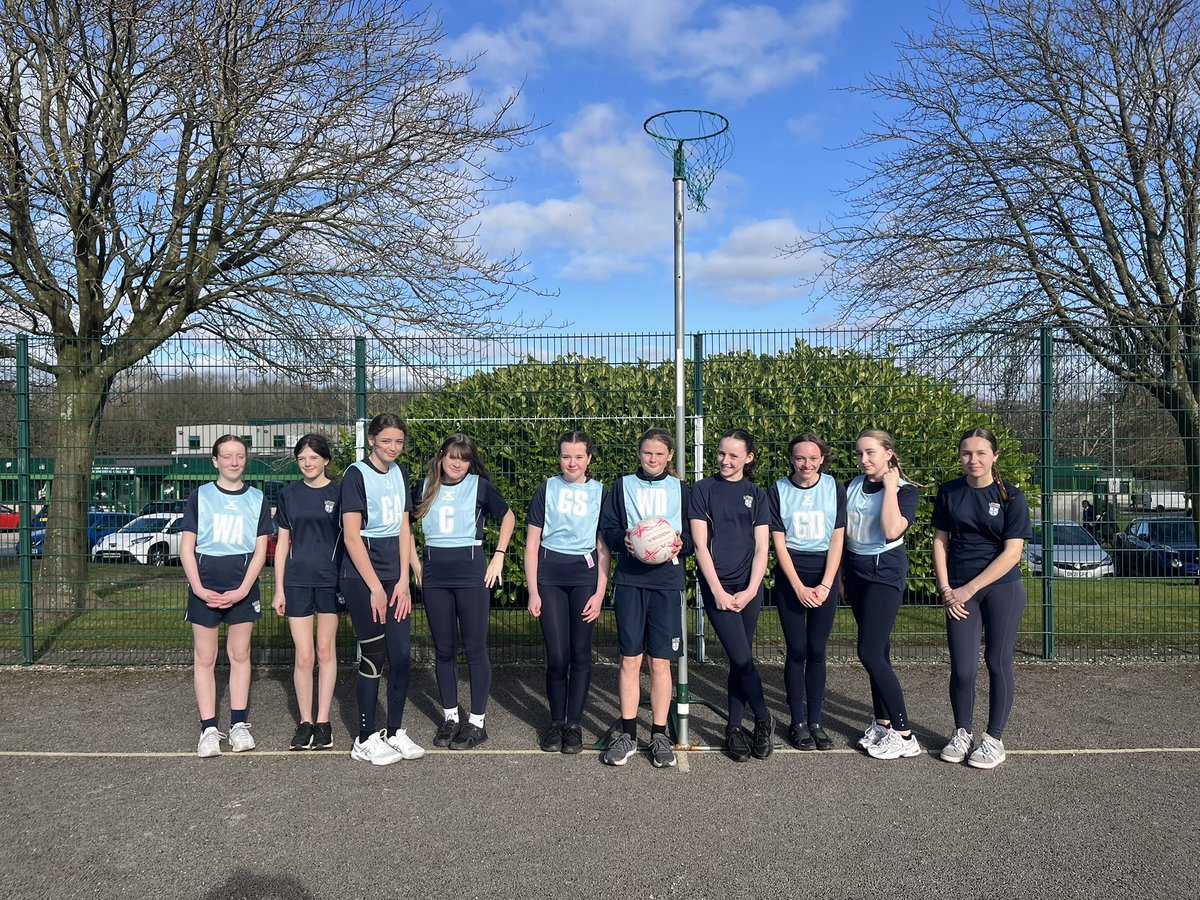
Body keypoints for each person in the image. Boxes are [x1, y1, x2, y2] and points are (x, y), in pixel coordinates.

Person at [932, 427, 1032, 769]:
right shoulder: (949, 493)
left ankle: (993, 739)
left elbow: (1012, 554)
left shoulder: (1012, 498)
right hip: (957, 592)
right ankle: (962, 732)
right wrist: (947, 589)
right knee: (962, 668)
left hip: (1001, 588)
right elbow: (940, 542)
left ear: (994, 456)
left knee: (997, 662)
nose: (973, 460)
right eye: (966, 453)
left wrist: (968, 589)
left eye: (980, 453)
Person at [412, 433, 515, 750]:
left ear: (470, 462)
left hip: (471, 576)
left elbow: (508, 516)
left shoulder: (479, 486)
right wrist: (416, 566)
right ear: (442, 456)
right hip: (435, 576)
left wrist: (498, 556)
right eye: (452, 456)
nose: (457, 463)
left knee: (474, 647)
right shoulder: (426, 485)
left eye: (464, 458)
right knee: (443, 649)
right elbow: (403, 525)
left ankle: (477, 723)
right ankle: (450, 717)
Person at [599, 427, 692, 769]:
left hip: (667, 581)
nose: (652, 459)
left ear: (670, 456)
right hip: (630, 580)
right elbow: (608, 527)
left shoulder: (681, 489)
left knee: (660, 662)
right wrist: (620, 540)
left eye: (659, 454)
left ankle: (659, 734)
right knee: (630, 659)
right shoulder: (623, 485)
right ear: (639, 454)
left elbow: (695, 535)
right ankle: (627, 735)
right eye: (646, 453)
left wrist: (687, 546)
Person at [182, 435, 273, 759]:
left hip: (242, 590)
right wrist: (197, 587)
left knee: (240, 654)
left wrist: (243, 589)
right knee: (205, 658)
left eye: (240, 456)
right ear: (215, 460)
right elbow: (186, 547)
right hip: (204, 589)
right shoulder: (200, 496)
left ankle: (238, 725)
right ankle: (208, 729)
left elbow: (261, 551)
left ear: (245, 460)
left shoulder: (258, 498)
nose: (234, 462)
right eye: (227, 456)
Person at [340, 413, 422, 765]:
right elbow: (351, 536)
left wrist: (403, 580)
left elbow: (404, 528)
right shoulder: (355, 475)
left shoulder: (401, 474)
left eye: (399, 442)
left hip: (394, 574)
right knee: (374, 655)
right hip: (363, 577)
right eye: (387, 440)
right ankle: (365, 738)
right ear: (372, 439)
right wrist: (375, 586)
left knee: (402, 656)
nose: (393, 447)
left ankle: (393, 730)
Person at [689, 428, 774, 761]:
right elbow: (699, 545)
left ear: (748, 458)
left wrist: (753, 589)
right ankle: (765, 718)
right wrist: (718, 591)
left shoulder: (757, 493)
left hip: (749, 588)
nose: (725, 460)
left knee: (742, 662)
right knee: (741, 658)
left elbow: (762, 547)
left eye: (733, 455)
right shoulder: (703, 490)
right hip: (718, 589)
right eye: (721, 453)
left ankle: (735, 728)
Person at [525, 431, 610, 754]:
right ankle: (556, 722)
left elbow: (604, 549)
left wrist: (600, 593)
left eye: (578, 456)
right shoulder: (546, 489)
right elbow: (532, 546)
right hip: (550, 578)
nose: (571, 462)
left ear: (589, 458)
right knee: (558, 655)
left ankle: (574, 725)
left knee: (581, 653)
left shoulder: (601, 493)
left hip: (584, 577)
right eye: (565, 456)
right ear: (558, 457)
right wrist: (533, 591)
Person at [844, 428, 922, 760]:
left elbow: (891, 530)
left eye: (871, 453)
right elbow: (846, 533)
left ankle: (904, 734)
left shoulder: (905, 491)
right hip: (857, 572)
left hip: (884, 574)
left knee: (870, 652)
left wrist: (890, 487)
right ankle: (883, 722)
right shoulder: (852, 486)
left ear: (888, 453)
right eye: (860, 453)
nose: (864, 459)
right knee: (881, 653)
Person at [768, 432, 847, 751]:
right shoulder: (778, 490)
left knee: (817, 650)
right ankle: (797, 721)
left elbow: (838, 538)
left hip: (824, 572)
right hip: (792, 575)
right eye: (800, 458)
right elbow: (778, 542)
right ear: (791, 459)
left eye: (814, 458)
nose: (807, 464)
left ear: (822, 459)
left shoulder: (834, 488)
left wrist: (827, 583)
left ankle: (816, 720)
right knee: (797, 649)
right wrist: (798, 586)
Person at [272, 434, 343, 751]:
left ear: (326, 460)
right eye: (302, 458)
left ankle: (324, 722)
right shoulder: (288, 494)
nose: (308, 463)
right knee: (304, 655)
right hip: (297, 582)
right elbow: (281, 544)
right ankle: (305, 722)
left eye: (313, 457)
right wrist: (278, 589)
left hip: (330, 581)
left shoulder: (340, 492)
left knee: (325, 651)